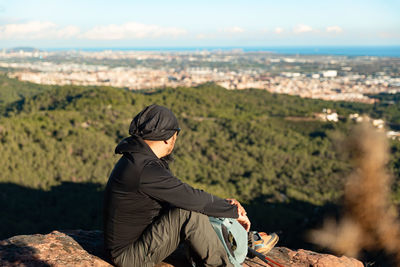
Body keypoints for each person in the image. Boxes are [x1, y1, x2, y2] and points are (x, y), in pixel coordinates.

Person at [103, 104, 273, 267]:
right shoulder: (144, 169)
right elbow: (191, 200)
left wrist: (224, 207)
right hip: (130, 257)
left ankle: (238, 240)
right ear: (169, 138)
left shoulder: (139, 159)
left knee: (193, 206)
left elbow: (184, 196)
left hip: (141, 239)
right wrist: (233, 211)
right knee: (190, 213)